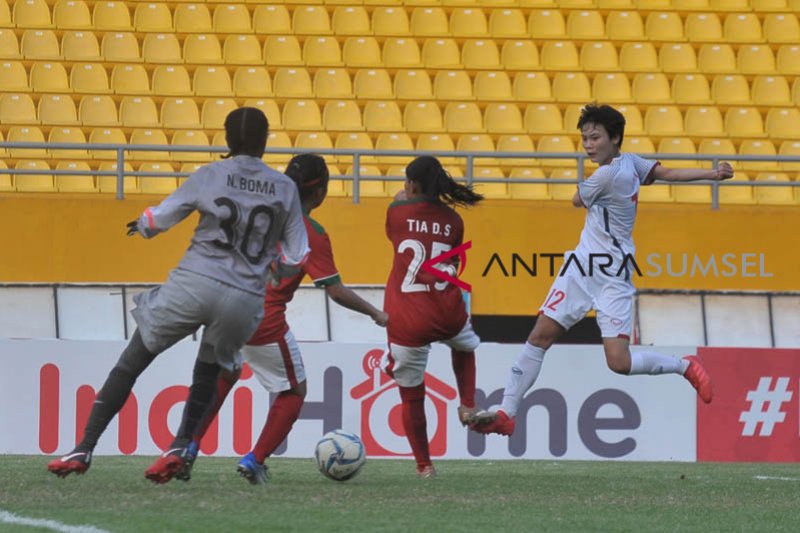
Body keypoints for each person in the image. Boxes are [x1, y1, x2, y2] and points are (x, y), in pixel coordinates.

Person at [47, 107, 310, 483]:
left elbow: (161, 219)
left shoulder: (210, 174)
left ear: (227, 139)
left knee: (132, 361)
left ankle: (83, 448)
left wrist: (141, 225)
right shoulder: (284, 188)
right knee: (207, 373)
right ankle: (179, 446)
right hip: (244, 298)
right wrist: (275, 269)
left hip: (196, 280)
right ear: (266, 142)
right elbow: (297, 255)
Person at [473, 104, 734, 436]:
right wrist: (712, 174)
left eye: (595, 137)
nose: (588, 145)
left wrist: (589, 190)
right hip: (582, 268)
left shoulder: (606, 175)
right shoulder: (632, 162)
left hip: (611, 275)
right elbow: (666, 174)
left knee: (618, 363)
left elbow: (575, 200)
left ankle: (685, 367)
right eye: (584, 138)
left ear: (615, 137)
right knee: (540, 335)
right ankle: (506, 413)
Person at [178, 153, 389, 485]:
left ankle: (187, 446)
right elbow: (335, 291)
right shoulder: (310, 233)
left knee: (225, 374)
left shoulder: (256, 210)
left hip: (222, 305)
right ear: (319, 191)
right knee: (294, 391)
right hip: (261, 317)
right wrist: (376, 312)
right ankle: (254, 460)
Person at [381, 155, 485, 478]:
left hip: (408, 318)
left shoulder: (397, 213)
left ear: (412, 185)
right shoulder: (455, 221)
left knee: (412, 396)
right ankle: (467, 404)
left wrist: (403, 197)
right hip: (448, 310)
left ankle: (425, 466)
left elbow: (399, 216)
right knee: (464, 346)